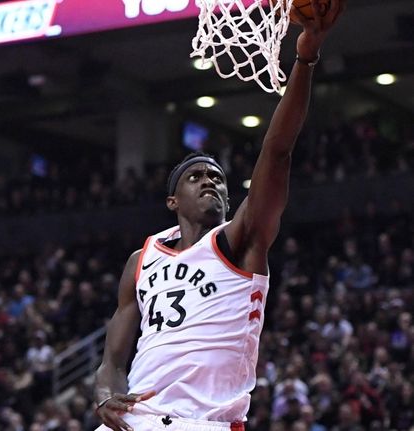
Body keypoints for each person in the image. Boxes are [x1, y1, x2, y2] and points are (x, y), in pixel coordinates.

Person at [93, 2, 347, 430]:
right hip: (136, 420)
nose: (210, 181)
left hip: (202, 421)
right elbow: (112, 361)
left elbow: (278, 151)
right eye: (195, 177)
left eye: (217, 177)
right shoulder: (141, 260)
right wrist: (104, 397)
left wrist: (305, 57)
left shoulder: (241, 241)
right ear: (173, 200)